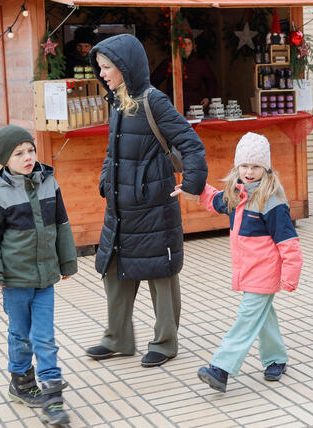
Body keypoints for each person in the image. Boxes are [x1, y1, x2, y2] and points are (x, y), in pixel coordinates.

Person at [85, 34, 208, 368]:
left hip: (153, 205)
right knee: (114, 270)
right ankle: (118, 339)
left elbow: (191, 144)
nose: (103, 73)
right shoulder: (117, 101)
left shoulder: (155, 101)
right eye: (100, 67)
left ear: (126, 67)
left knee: (161, 273)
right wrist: (105, 181)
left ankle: (165, 343)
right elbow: (113, 152)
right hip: (121, 208)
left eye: (107, 67)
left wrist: (193, 184)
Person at [171, 132, 302, 392]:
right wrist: (192, 189)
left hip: (264, 271)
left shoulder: (271, 201)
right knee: (263, 316)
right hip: (249, 270)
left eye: (255, 166)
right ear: (237, 167)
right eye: (244, 166)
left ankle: (221, 369)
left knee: (246, 317)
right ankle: (276, 359)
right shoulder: (236, 194)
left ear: (265, 168)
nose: (249, 172)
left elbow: (289, 243)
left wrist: (290, 275)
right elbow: (214, 199)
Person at [0, 125, 77, 425]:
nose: (27, 157)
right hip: (15, 282)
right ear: (6, 159)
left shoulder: (49, 183)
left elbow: (62, 225)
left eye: (31, 150)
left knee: (44, 337)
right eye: (19, 153)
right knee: (21, 336)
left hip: (45, 279)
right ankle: (21, 384)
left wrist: (67, 263)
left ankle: (51, 395)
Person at [151, 33, 217, 112]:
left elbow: (212, 83)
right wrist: (160, 100)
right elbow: (153, 81)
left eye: (189, 44)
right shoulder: (169, 63)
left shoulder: (201, 64)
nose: (186, 47)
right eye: (183, 44)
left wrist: (208, 98)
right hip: (173, 108)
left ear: (193, 46)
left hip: (195, 109)